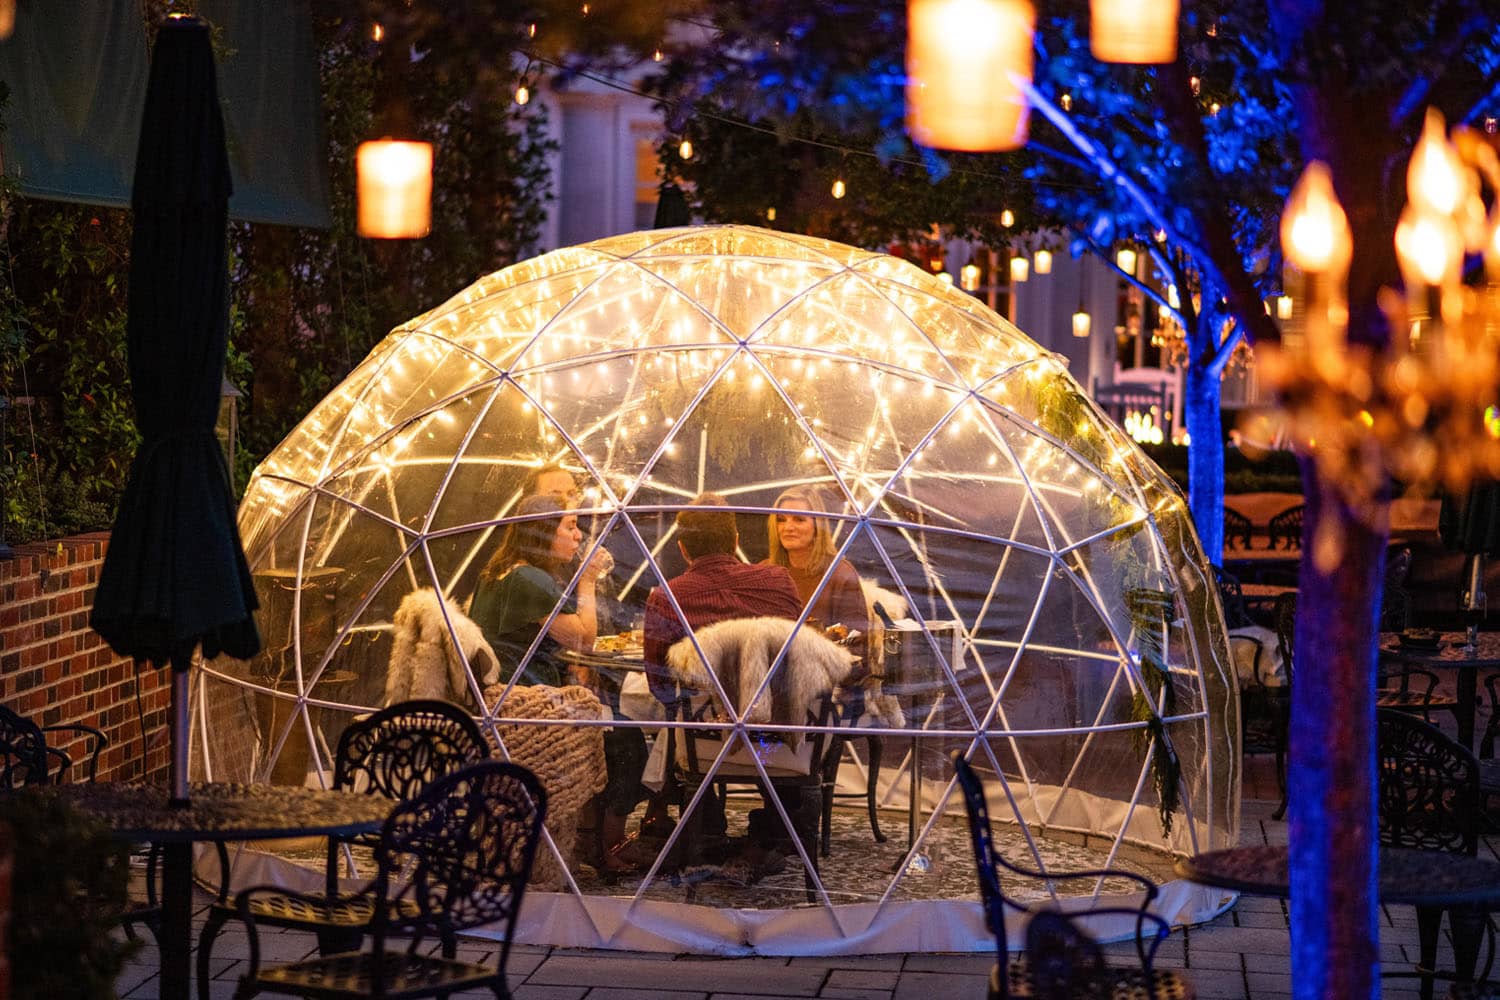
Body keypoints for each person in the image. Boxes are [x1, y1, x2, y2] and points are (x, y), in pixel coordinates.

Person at [471, 493, 646, 873]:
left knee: (616, 727)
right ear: (542, 532)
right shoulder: (527, 579)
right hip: (527, 702)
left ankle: (594, 838)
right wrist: (586, 579)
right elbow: (582, 638)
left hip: (511, 694)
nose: (578, 536)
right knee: (627, 740)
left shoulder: (501, 571)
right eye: (569, 526)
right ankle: (602, 844)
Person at [642, 493, 813, 872]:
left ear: (683, 548)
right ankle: (774, 831)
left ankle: (706, 831)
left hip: (708, 748)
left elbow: (660, 686)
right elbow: (799, 654)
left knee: (680, 722)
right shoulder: (778, 581)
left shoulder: (667, 597)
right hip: (777, 743)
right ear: (736, 540)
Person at [765, 485, 871, 693]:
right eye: (781, 520)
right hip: (769, 676)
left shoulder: (839, 572)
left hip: (821, 683)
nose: (788, 527)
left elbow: (857, 638)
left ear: (817, 525)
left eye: (799, 519)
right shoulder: (765, 571)